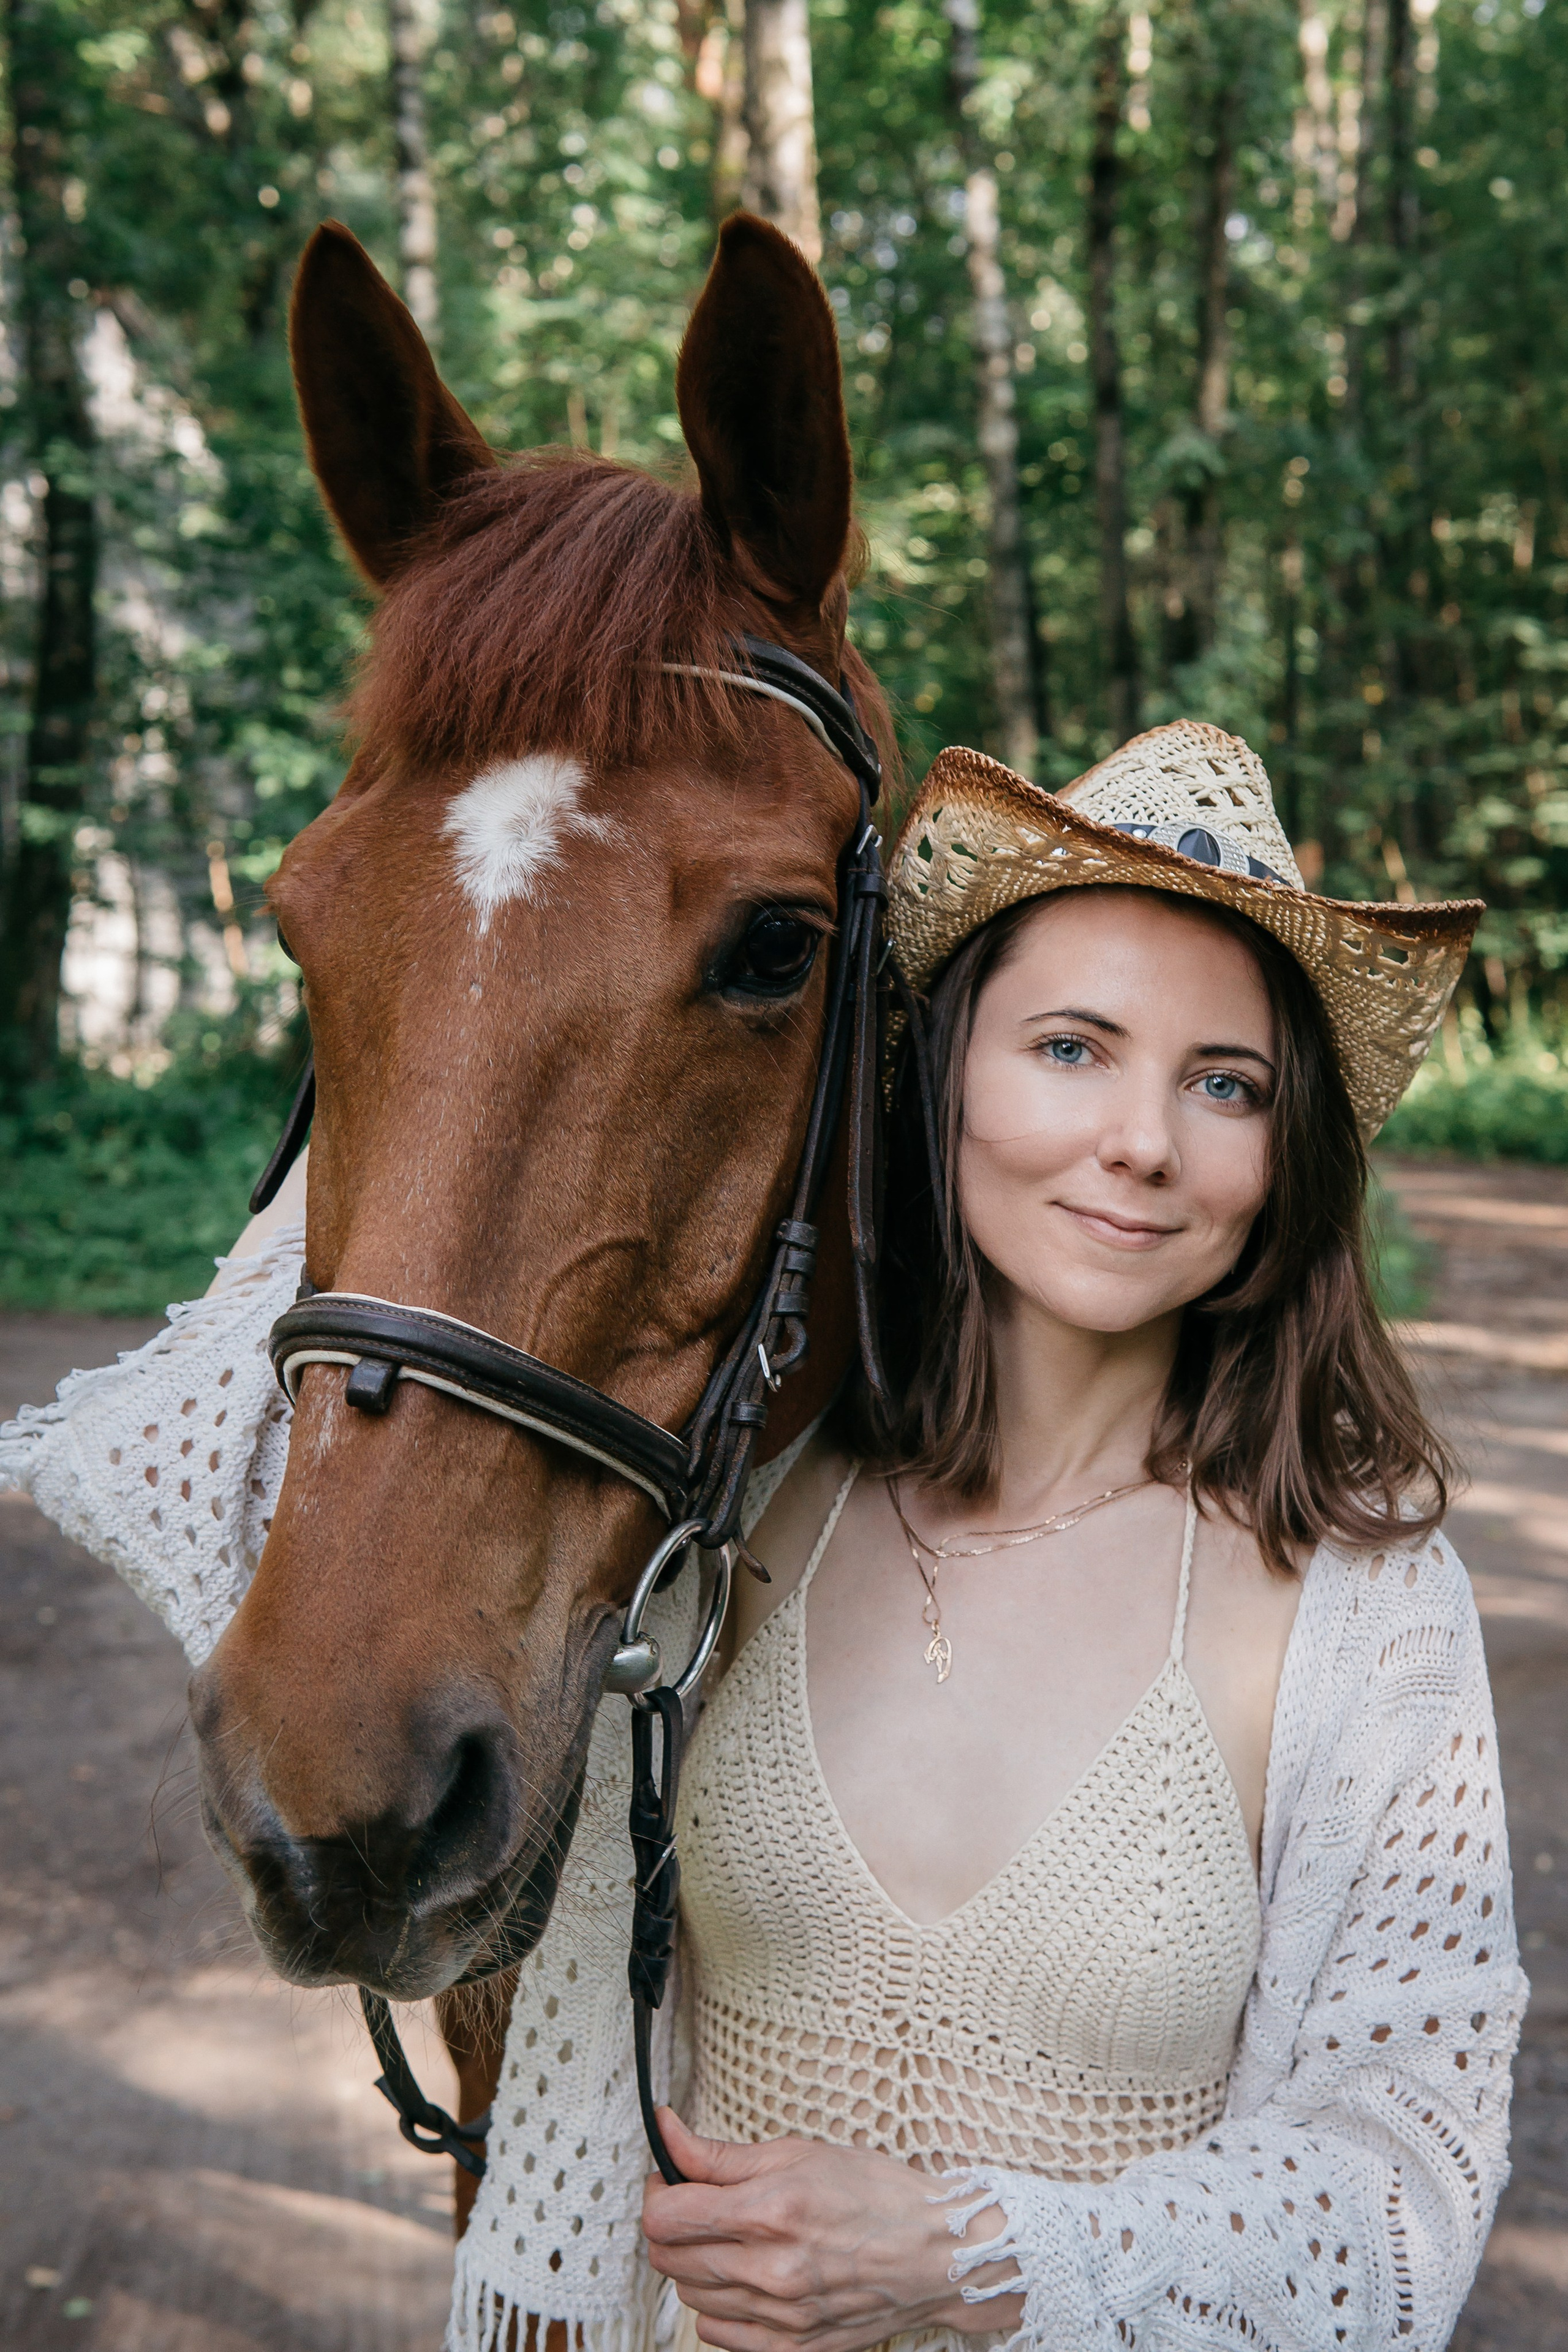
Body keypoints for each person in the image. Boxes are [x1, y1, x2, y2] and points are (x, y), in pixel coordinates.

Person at [1, 723, 1523, 2352]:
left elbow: (1401, 2181)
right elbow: (265, 1419)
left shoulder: (1365, 1606)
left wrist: (967, 2258)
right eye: (1072, 1048)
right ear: (939, 1073)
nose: (1144, 1139)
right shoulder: (728, 1519)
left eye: (1225, 1084)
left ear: (1286, 1158)